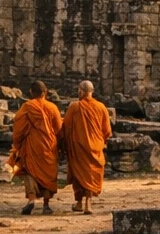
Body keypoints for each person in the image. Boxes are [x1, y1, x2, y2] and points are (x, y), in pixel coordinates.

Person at [9, 80, 62, 215]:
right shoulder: (52, 107)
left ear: (32, 93)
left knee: (30, 171)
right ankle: (46, 204)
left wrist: (17, 143)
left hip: (32, 144)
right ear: (45, 93)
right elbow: (58, 128)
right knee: (48, 173)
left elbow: (18, 128)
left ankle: (31, 199)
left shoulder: (27, 107)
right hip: (48, 145)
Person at [60, 80, 111, 214]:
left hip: (78, 147)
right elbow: (107, 131)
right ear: (92, 92)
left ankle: (79, 202)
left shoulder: (74, 107)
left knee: (79, 174)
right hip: (95, 147)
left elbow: (65, 127)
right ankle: (88, 202)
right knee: (91, 174)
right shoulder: (101, 107)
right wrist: (100, 141)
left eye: (79, 90)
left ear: (81, 91)